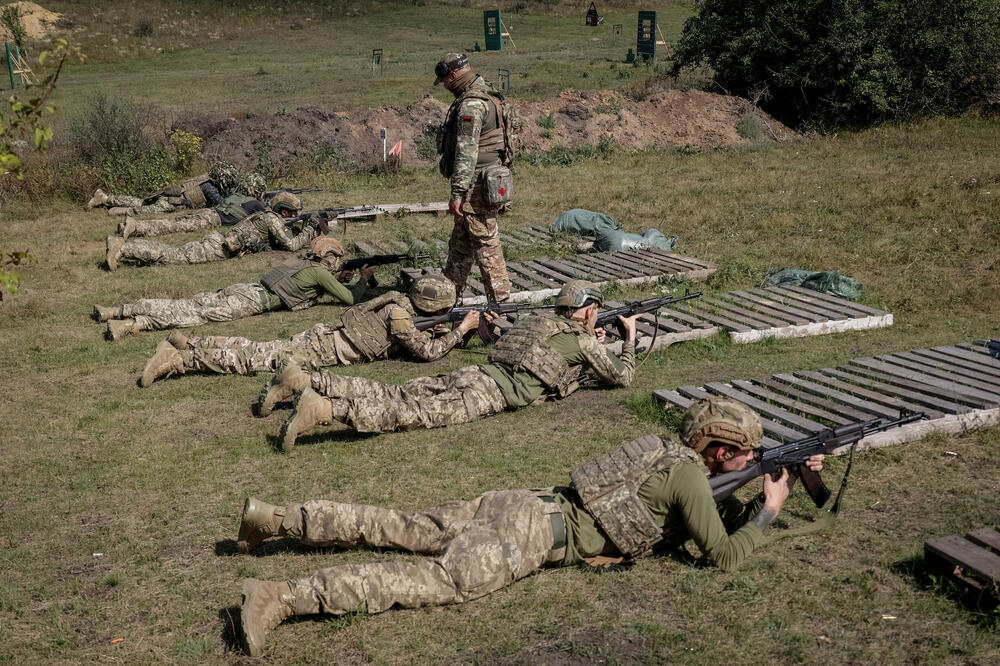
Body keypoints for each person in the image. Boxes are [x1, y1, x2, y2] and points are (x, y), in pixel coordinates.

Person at [233, 397, 826, 657]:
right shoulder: (694, 479)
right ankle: (282, 597)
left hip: (519, 502)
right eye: (747, 454)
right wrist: (772, 509)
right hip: (534, 537)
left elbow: (707, 521)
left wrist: (767, 491)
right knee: (435, 581)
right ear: (720, 451)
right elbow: (720, 556)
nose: (753, 462)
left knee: (402, 524)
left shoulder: (670, 458)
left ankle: (277, 518)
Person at [274, 279, 637, 449]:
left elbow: (555, 356)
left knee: (396, 392)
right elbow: (622, 378)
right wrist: (629, 342)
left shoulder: (540, 321)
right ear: (589, 310)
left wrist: (595, 344)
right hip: (489, 394)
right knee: (410, 413)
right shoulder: (583, 339)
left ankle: (304, 380)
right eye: (597, 311)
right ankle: (323, 409)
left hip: (476, 374)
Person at [137, 276, 480, 389]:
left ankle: (189, 340)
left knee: (258, 346)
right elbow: (428, 353)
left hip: (324, 336)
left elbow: (418, 342)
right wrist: (462, 329)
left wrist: (453, 330)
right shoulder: (402, 317)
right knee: (254, 360)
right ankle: (181, 360)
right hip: (324, 349)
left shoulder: (399, 303)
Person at [94, 237, 373, 341]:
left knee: (191, 303)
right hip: (251, 301)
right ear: (330, 260)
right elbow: (349, 299)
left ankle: (124, 315)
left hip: (246, 288)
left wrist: (338, 276)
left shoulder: (302, 261)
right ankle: (128, 319)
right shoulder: (320, 273)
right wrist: (362, 279)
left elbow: (310, 282)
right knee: (192, 315)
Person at [434, 52, 513, 303]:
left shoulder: (471, 104)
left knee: (486, 246)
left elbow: (467, 151)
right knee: (460, 245)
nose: (445, 86)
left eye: (446, 80)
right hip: (483, 181)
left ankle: (501, 305)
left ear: (454, 75)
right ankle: (446, 300)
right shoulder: (487, 94)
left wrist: (457, 192)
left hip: (475, 187)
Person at [104, 192, 315, 271]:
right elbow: (291, 245)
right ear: (283, 211)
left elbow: (281, 239)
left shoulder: (268, 217)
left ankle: (125, 246)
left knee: (174, 253)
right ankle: (123, 248)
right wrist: (311, 229)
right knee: (172, 256)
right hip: (218, 248)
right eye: (293, 212)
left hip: (218, 241)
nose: (294, 215)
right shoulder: (271, 219)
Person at [87, 163, 266, 216]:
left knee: (139, 201)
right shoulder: (211, 188)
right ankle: (115, 210)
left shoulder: (206, 178)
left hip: (169, 195)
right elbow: (220, 205)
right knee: (142, 210)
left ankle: (105, 198)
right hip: (172, 203)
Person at [117, 193, 269, 239]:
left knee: (175, 221)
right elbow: (268, 217)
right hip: (213, 219)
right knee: (175, 227)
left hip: (208, 212)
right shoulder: (256, 204)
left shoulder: (237, 196)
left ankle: (130, 227)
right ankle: (136, 226)